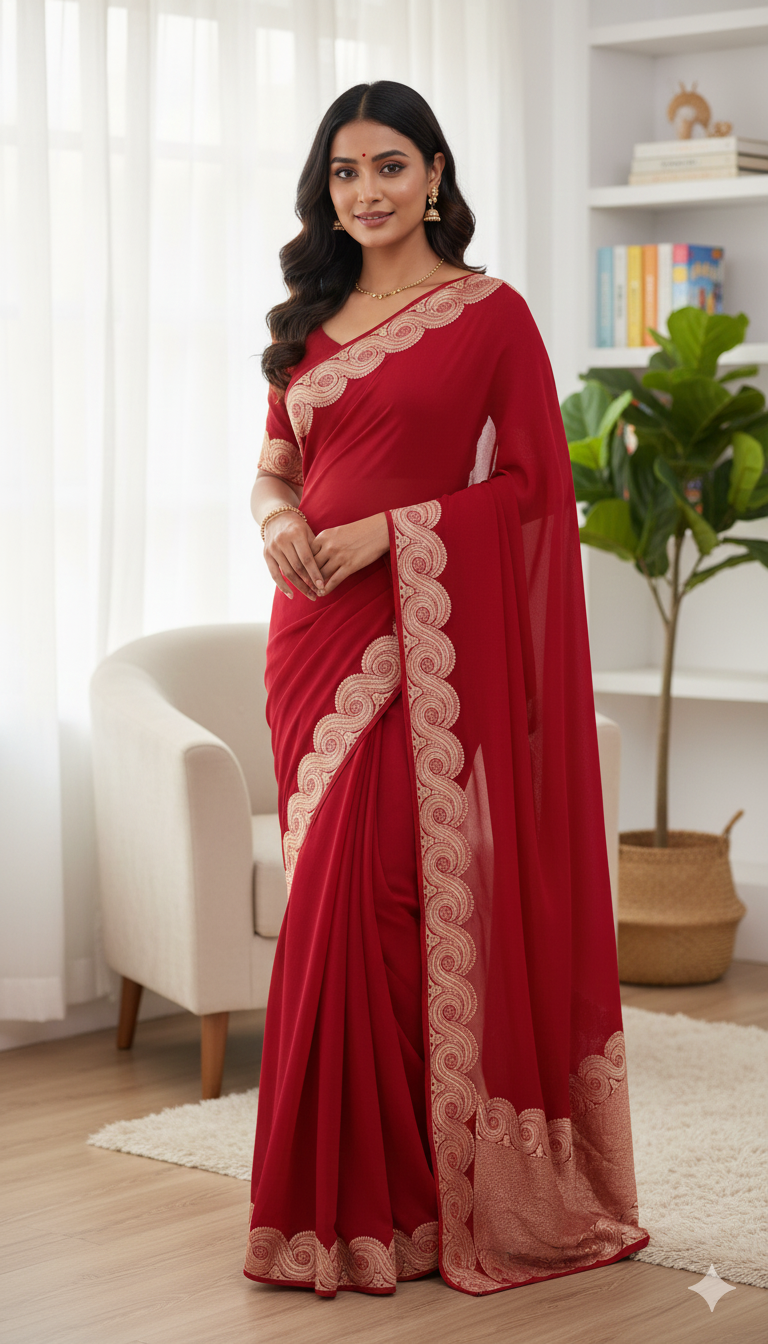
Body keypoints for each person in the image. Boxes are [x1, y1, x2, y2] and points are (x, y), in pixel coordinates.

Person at [244, 80, 649, 1299]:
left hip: (409, 638)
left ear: (434, 175)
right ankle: (339, 1207)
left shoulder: (489, 317)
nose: (365, 193)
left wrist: (391, 534)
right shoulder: (309, 324)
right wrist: (276, 520)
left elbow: (534, 492)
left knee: (377, 905)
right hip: (309, 643)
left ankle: (409, 1201)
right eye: (344, 173)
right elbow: (274, 467)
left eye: (388, 168)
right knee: (335, 906)